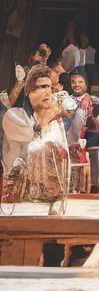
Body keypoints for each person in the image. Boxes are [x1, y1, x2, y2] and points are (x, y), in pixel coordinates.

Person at [1, 64, 71, 208]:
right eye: (42, 87)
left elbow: (59, 150)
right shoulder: (15, 116)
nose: (47, 92)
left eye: (50, 88)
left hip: (51, 199)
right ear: (29, 92)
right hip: (19, 200)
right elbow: (29, 148)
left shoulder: (55, 122)